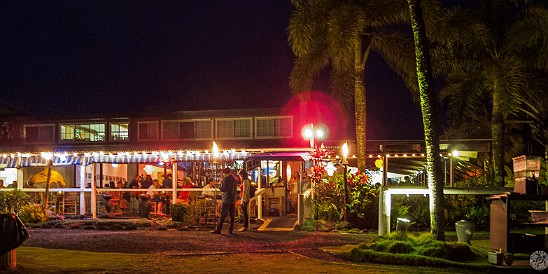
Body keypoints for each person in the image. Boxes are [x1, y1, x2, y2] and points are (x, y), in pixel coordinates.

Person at [211, 168, 238, 234]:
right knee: (232, 216)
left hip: (226, 199)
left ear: (224, 173)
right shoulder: (234, 180)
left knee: (222, 215)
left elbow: (223, 189)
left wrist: (219, 186)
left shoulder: (225, 179)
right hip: (232, 199)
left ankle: (218, 229)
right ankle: (230, 230)